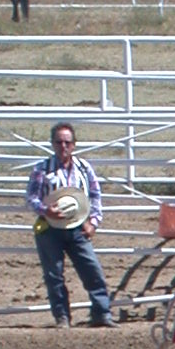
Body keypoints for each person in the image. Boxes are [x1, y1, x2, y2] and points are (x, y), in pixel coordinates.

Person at [25, 121, 116, 329]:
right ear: (52, 144)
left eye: (67, 142)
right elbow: (31, 197)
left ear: (74, 144)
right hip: (50, 228)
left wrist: (93, 222)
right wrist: (45, 210)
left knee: (92, 269)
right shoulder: (41, 169)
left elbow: (95, 196)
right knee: (54, 275)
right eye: (59, 142)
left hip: (78, 227)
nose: (63, 146)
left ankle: (102, 313)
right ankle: (62, 316)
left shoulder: (84, 168)